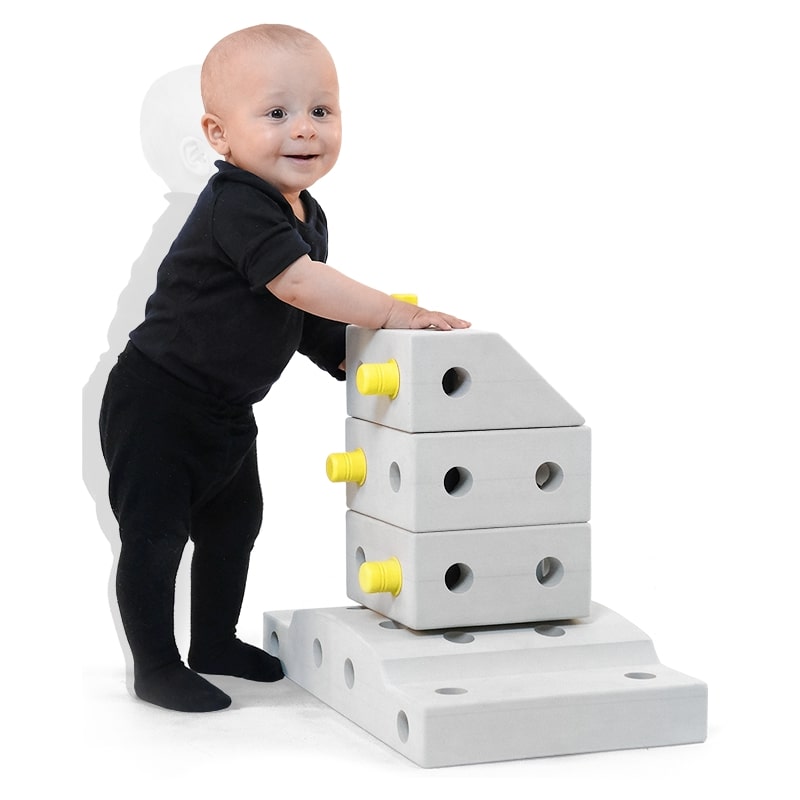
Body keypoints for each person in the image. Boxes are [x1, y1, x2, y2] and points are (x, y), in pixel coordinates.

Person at [99, 23, 470, 713]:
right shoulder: (236, 202)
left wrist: (345, 357)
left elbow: (294, 311)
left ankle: (214, 641)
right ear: (219, 135)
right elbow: (298, 284)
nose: (304, 129)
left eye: (321, 110)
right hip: (159, 403)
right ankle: (155, 665)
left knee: (235, 525)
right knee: (156, 535)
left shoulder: (305, 211)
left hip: (226, 410)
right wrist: (393, 312)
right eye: (276, 113)